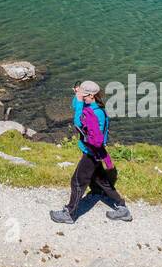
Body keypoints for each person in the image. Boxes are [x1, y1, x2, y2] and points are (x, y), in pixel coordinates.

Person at [51, 80, 132, 224]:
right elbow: (76, 107)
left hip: (91, 153)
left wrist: (79, 101)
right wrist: (78, 97)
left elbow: (78, 124)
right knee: (102, 181)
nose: (80, 98)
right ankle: (122, 207)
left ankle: (69, 214)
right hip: (95, 152)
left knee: (77, 182)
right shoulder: (93, 106)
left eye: (83, 96)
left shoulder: (96, 113)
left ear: (91, 96)